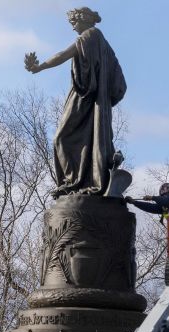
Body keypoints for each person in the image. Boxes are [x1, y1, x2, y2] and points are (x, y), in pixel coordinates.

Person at [25, 7, 127, 197]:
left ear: (85, 20)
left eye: (74, 22)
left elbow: (64, 54)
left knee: (61, 138)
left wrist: (40, 67)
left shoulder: (90, 35)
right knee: (85, 139)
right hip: (92, 98)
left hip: (85, 97)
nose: (72, 27)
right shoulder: (102, 43)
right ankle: (79, 181)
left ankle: (72, 181)